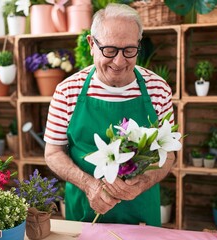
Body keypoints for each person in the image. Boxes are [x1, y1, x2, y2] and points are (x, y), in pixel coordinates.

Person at [43, 3, 175, 226]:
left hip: (141, 210)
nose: (119, 61)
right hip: (85, 210)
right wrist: (88, 184)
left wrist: (142, 183)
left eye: (129, 50)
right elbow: (53, 152)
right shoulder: (67, 91)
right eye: (110, 50)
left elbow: (169, 153)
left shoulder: (158, 89)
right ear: (91, 44)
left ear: (138, 46)